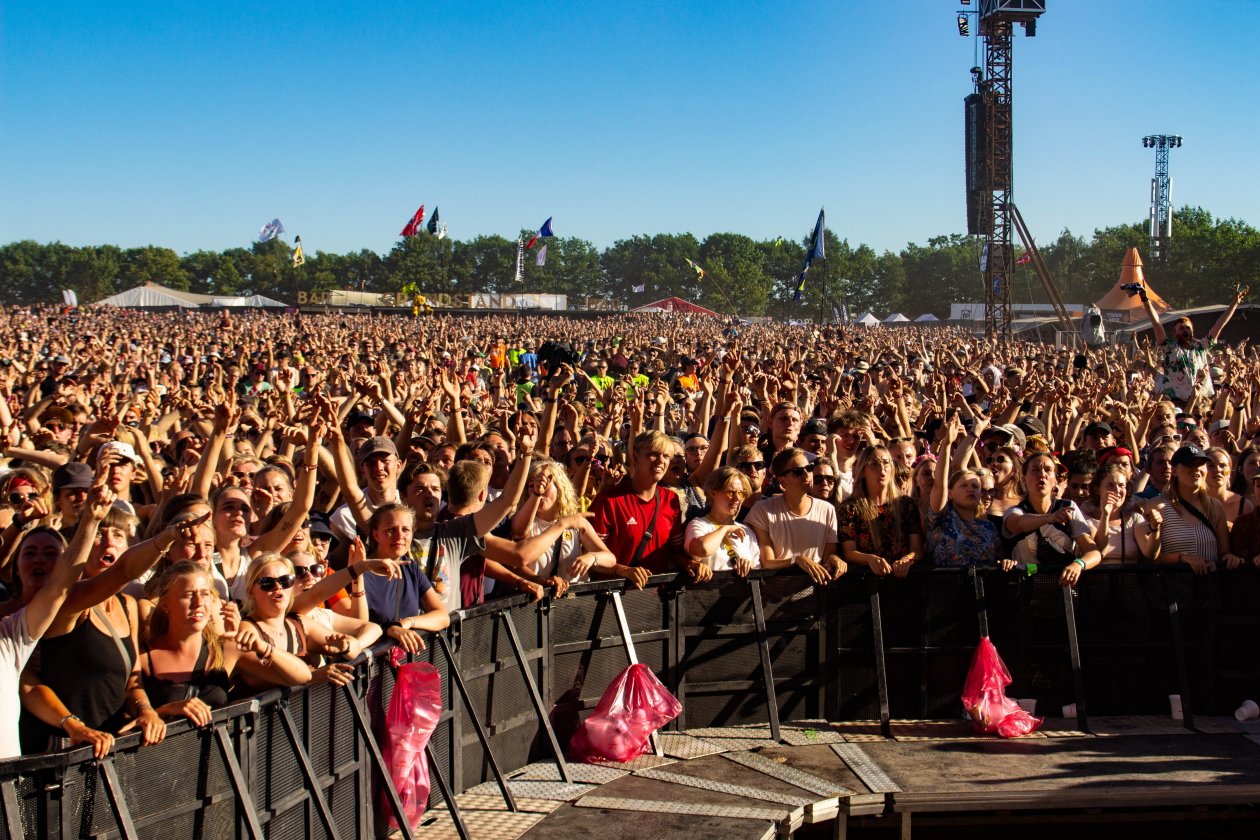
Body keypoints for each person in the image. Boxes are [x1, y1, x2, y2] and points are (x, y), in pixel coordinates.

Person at [139, 560, 311, 727]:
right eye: (188, 595)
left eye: (205, 594)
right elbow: (127, 722)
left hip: (219, 753)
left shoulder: (226, 649)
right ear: (165, 604)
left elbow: (302, 676)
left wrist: (264, 647)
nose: (198, 603)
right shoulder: (142, 657)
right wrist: (166, 710)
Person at [590, 431, 709, 582]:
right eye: (653, 454)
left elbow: (675, 551)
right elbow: (590, 555)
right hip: (614, 597)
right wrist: (623, 571)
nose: (661, 461)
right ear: (635, 457)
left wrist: (692, 564)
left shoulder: (670, 499)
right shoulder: (609, 500)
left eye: (666, 456)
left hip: (657, 598)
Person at [510, 459, 634, 586]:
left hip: (574, 600)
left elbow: (610, 558)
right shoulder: (523, 522)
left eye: (544, 484)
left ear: (559, 488)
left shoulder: (576, 522)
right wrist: (541, 581)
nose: (538, 489)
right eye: (532, 486)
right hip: (537, 599)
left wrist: (591, 557)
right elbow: (517, 566)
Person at [745, 447, 846, 585]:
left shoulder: (827, 509)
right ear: (783, 481)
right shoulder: (762, 510)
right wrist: (797, 560)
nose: (807, 474)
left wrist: (835, 559)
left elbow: (828, 556)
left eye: (809, 468)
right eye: (798, 472)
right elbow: (767, 562)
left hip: (816, 592)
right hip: (773, 595)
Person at [359, 504, 450, 655]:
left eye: (405, 530)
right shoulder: (359, 574)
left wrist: (406, 623)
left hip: (408, 664)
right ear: (376, 535)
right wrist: (389, 631)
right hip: (371, 668)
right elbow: (354, 627)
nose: (399, 536)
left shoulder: (410, 568)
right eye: (391, 530)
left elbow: (442, 616)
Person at [1002, 452, 1102, 588]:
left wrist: (1078, 564)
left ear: (1055, 480)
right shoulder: (1015, 511)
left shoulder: (1068, 507)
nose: (1042, 474)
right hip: (1026, 592)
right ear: (1024, 479)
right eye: (1035, 470)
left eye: (1048, 470)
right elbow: (1018, 524)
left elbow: (1094, 552)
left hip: (1062, 590)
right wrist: (1050, 517)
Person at [1140, 286, 1245, 406]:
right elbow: (1156, 322)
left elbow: (1219, 324)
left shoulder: (1202, 346)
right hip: (1175, 401)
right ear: (1174, 333)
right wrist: (1145, 299)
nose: (1185, 330)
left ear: (1192, 331)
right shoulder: (1169, 348)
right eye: (1181, 328)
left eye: (1187, 328)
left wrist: (1234, 304)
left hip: (1201, 400)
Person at [1151, 445, 1243, 573]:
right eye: (1189, 464)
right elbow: (1149, 555)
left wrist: (1230, 557)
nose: (1196, 469)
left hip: (1207, 587)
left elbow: (1223, 552)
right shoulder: (1157, 505)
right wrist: (1181, 557)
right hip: (1171, 588)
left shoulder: (1215, 507)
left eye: (1201, 464)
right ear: (1174, 470)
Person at [836, 445, 922, 577]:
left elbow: (917, 549)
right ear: (863, 471)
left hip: (903, 580)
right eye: (874, 463)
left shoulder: (907, 505)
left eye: (886, 462)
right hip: (865, 583)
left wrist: (907, 560)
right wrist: (870, 559)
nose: (882, 468)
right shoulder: (849, 508)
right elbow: (849, 552)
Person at [925, 417, 1001, 568]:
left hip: (983, 590)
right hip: (946, 589)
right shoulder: (940, 518)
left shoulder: (988, 527)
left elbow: (998, 560)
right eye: (964, 485)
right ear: (950, 493)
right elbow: (939, 484)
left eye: (975, 486)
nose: (970, 489)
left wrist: (1005, 563)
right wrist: (946, 445)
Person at [684, 467, 760, 575]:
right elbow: (702, 549)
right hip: (710, 591)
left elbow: (758, 570)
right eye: (730, 492)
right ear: (713, 493)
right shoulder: (699, 524)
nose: (737, 498)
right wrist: (725, 529)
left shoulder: (746, 530)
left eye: (741, 493)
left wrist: (749, 566)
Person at [1080, 461, 1155, 565]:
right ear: (1097, 490)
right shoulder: (1085, 519)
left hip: (1129, 581)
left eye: (1121, 485)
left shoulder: (1134, 519)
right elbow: (1099, 553)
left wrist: (1156, 529)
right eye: (1110, 485)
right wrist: (1105, 515)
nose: (1117, 490)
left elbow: (1150, 554)